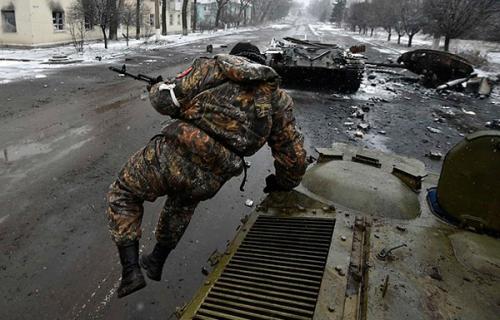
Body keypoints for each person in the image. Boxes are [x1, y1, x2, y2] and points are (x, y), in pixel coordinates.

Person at [106, 42, 307, 298]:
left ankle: (131, 271)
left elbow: (165, 101)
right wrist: (283, 182)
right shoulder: (277, 100)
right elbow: (294, 155)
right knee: (181, 205)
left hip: (173, 152)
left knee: (124, 192)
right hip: (213, 174)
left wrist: (157, 87)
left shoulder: (213, 68)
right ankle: (156, 261)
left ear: (235, 59)